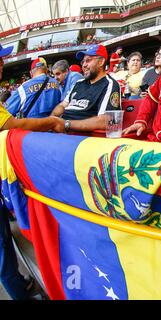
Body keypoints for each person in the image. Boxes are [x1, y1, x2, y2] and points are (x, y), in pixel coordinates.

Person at [0, 44, 64, 300]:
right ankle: (20, 294)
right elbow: (10, 123)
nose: (2, 63)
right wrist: (51, 121)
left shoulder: (25, 87)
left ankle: (18, 284)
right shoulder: (56, 85)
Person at [50, 44, 121, 133]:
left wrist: (65, 124)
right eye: (83, 62)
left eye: (88, 60)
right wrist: (51, 120)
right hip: (61, 131)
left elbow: (106, 120)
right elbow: (63, 105)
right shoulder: (79, 83)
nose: (84, 65)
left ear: (101, 62)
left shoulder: (109, 84)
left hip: (79, 136)